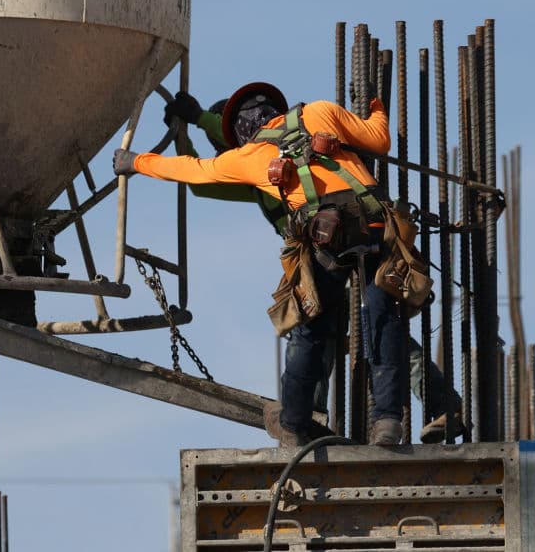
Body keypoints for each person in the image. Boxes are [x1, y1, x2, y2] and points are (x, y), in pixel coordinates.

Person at [115, 83, 439, 445]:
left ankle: (297, 422)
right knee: (382, 319)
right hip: (376, 227)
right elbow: (379, 140)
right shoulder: (319, 111)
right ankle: (388, 422)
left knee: (310, 328)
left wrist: (137, 160)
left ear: (239, 132)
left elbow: (195, 171)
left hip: (326, 243)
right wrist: (376, 105)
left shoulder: (249, 158)